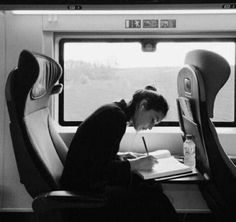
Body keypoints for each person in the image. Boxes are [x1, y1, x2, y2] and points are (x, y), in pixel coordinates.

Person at [60, 85, 179, 222]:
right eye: (153, 119)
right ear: (143, 105)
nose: (151, 127)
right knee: (153, 200)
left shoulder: (115, 112)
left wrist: (122, 157)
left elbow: (98, 155)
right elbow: (98, 170)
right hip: (85, 191)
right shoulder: (115, 118)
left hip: (86, 183)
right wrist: (135, 165)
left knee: (150, 188)